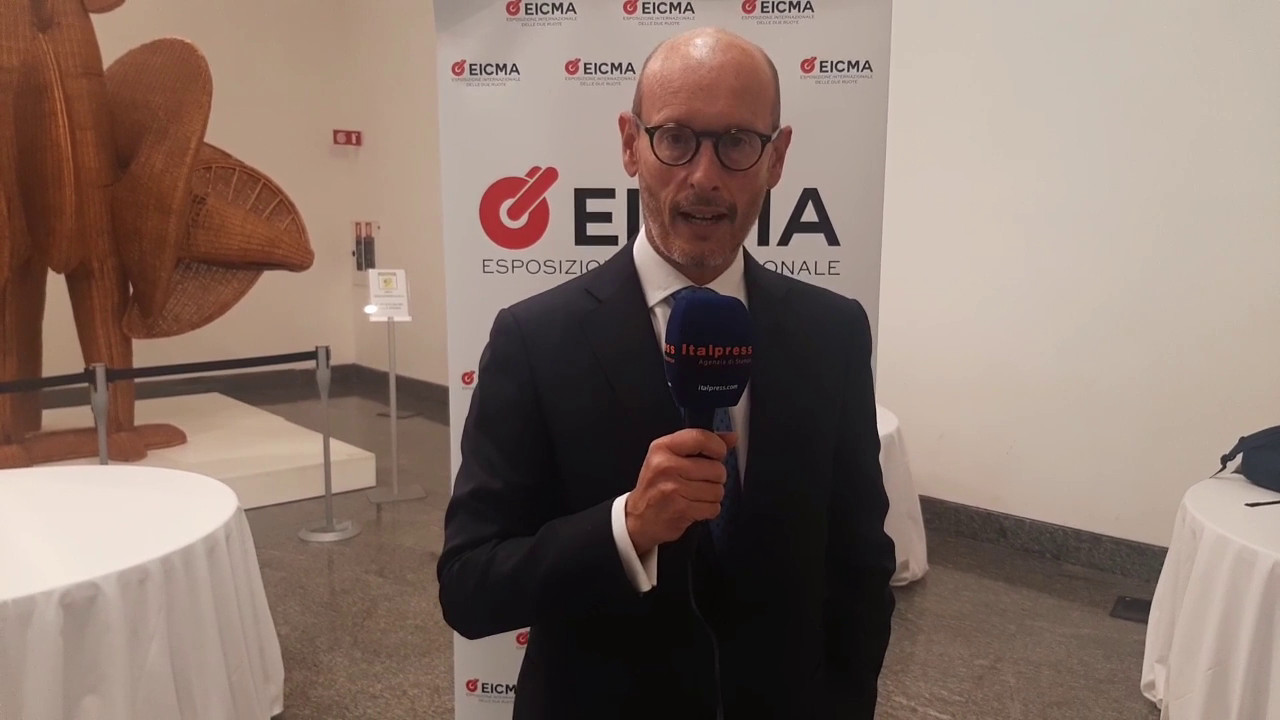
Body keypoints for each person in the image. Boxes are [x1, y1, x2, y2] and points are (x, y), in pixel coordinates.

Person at [437, 26, 896, 720]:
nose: (704, 176)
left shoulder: (833, 332)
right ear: (631, 145)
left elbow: (860, 564)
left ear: (776, 158)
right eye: (676, 138)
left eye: (737, 143)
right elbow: (469, 586)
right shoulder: (533, 339)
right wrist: (628, 527)